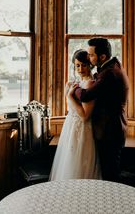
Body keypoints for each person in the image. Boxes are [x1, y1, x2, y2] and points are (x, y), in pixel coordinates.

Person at [69, 37, 129, 182]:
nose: (88, 59)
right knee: (108, 173)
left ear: (102, 56)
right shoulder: (111, 67)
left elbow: (86, 95)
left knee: (110, 176)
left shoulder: (110, 73)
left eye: (91, 55)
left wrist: (73, 88)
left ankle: (113, 204)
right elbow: (99, 82)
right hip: (109, 130)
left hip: (109, 132)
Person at [49, 49, 101, 181]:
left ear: (90, 65)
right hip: (70, 127)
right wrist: (69, 92)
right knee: (68, 163)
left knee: (80, 164)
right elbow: (71, 109)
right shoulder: (73, 83)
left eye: (84, 65)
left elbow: (84, 116)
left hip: (82, 129)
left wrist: (69, 96)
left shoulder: (90, 84)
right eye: (77, 65)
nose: (80, 68)